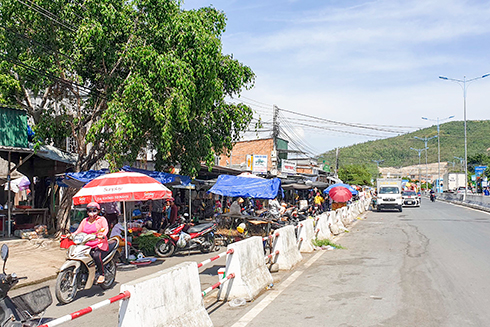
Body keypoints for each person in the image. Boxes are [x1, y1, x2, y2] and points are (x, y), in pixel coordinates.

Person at [72, 202, 109, 284]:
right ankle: (84, 273)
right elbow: (78, 231)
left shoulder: (101, 220)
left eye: (94, 210)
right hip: (85, 244)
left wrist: (102, 235)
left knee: (96, 255)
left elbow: (105, 229)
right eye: (90, 210)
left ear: (98, 211)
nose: (92, 213)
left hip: (99, 244)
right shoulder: (85, 221)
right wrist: (71, 235)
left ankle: (101, 274)